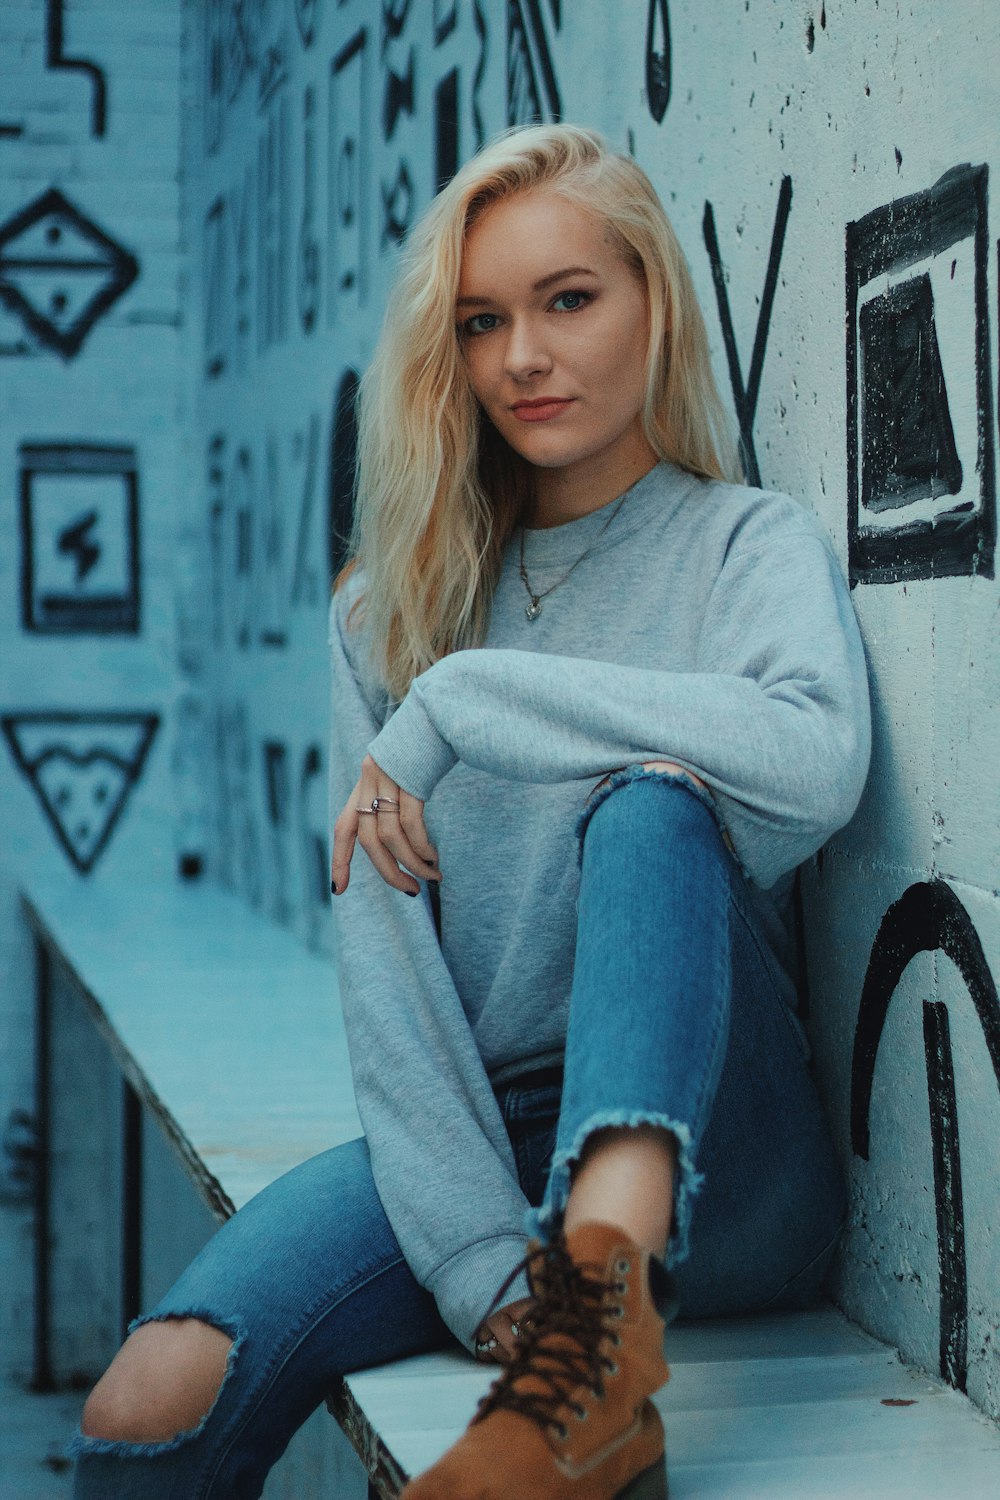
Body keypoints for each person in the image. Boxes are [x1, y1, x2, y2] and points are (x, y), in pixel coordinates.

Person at [72, 124, 870, 1500]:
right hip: (488, 1144)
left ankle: (597, 1363)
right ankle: (573, 1348)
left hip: (725, 1161)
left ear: (652, 301)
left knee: (650, 811)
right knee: (151, 1396)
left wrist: (466, 704)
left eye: (569, 300)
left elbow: (815, 765)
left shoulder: (746, 547)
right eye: (483, 321)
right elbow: (385, 967)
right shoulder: (390, 615)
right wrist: (486, 1269)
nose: (522, 359)